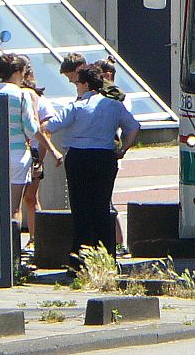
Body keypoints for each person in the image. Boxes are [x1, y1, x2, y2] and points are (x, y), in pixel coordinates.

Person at [43, 64, 139, 261]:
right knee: (102, 206)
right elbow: (134, 127)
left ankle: (80, 256)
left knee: (80, 207)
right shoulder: (114, 105)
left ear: (85, 84)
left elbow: (51, 125)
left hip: (78, 157)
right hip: (105, 156)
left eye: (77, 83)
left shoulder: (76, 106)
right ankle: (106, 256)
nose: (76, 86)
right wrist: (122, 150)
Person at [0, 54, 40, 221]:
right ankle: (13, 246)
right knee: (14, 207)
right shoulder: (22, 95)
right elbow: (31, 129)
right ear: (17, 72)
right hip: (17, 154)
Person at [20, 63, 61, 249]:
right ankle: (32, 238)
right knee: (23, 197)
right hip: (19, 150)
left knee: (30, 197)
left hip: (34, 151)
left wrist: (41, 160)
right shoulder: (17, 96)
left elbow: (44, 130)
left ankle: (37, 238)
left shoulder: (38, 99)